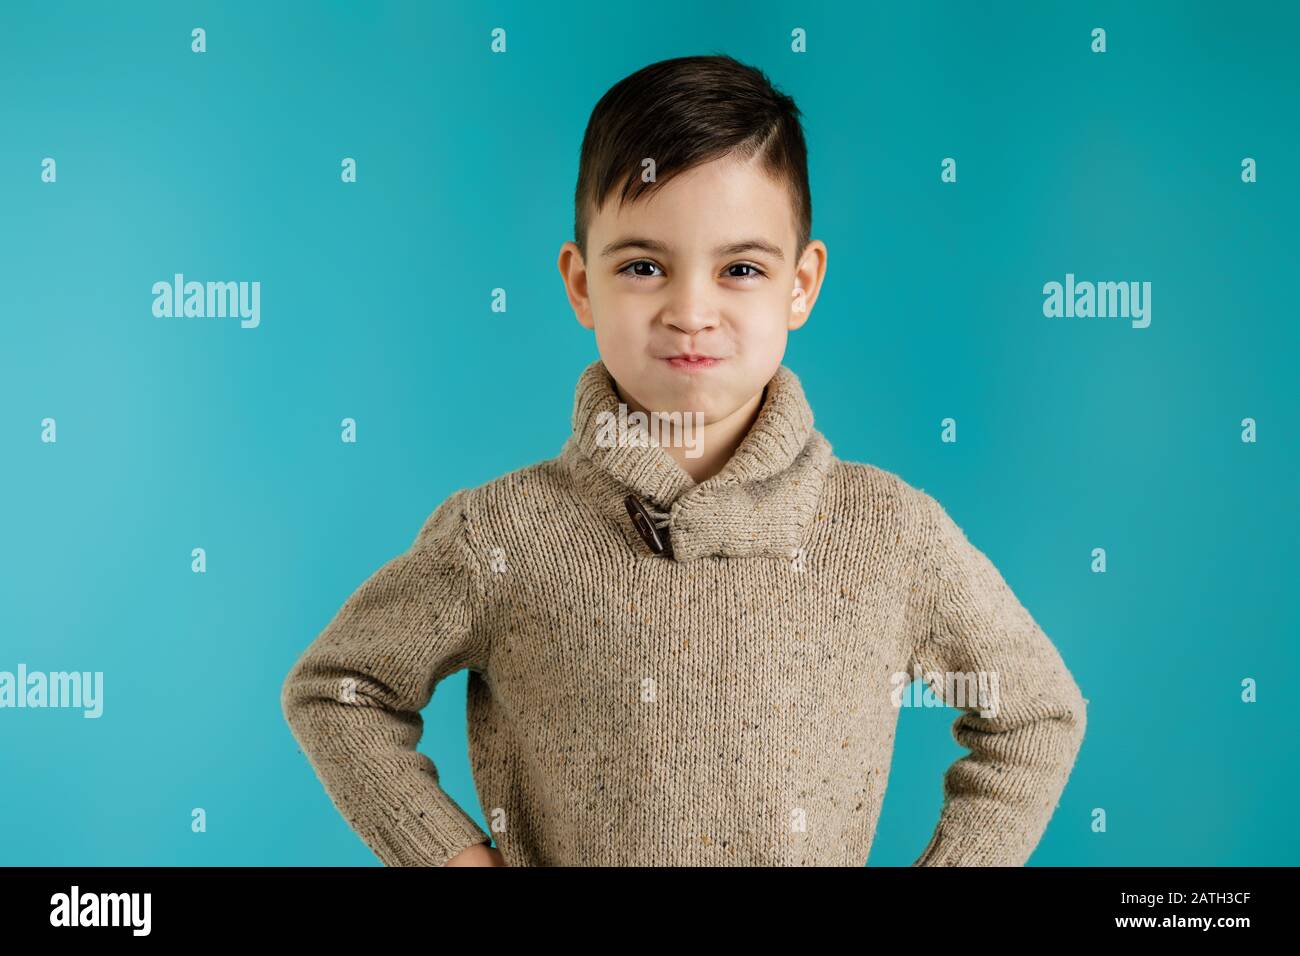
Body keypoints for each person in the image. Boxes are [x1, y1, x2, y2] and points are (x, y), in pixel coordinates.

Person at [280, 53, 1087, 867]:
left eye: (740, 269)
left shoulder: (888, 533)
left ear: (801, 285)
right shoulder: (501, 535)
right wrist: (451, 859)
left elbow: (1035, 714)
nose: (691, 312)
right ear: (581, 282)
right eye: (642, 267)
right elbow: (339, 691)